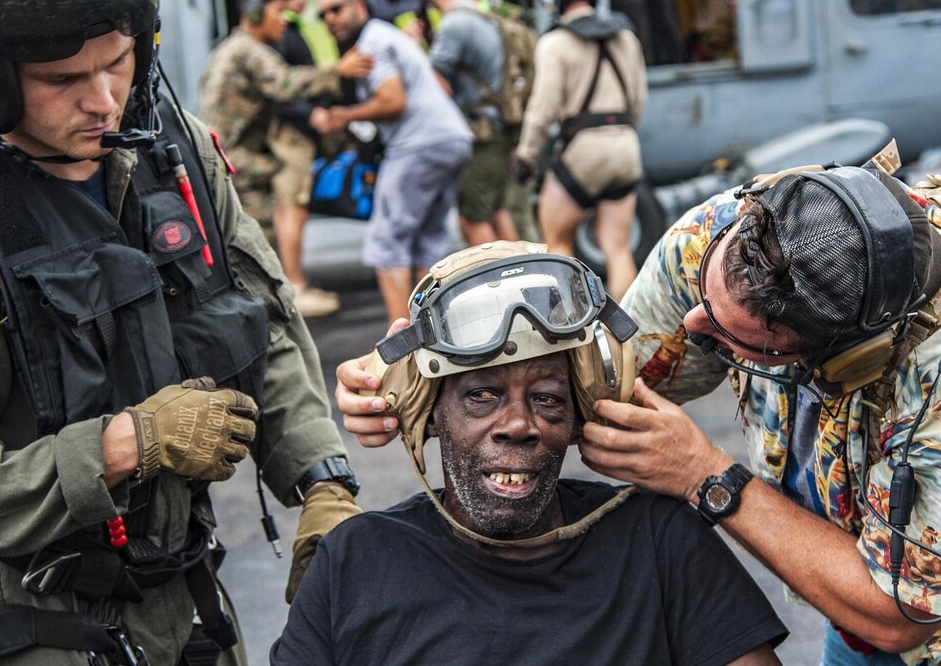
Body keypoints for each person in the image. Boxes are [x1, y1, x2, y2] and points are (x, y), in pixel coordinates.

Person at [0, 0, 363, 663]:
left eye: (118, 60)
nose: (103, 99)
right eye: (62, 78)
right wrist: (125, 445)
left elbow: (257, 318)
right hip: (40, 628)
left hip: (191, 609)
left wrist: (323, 482)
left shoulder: (168, 150)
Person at [335, 145, 941, 664]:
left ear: (834, 356)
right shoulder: (726, 235)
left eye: (732, 343)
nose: (694, 322)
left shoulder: (931, 383)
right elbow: (590, 383)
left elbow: (899, 615)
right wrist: (408, 374)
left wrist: (706, 477)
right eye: (704, 293)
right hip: (851, 626)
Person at [276, 241, 787, 664]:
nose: (519, 425)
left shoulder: (657, 541)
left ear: (577, 417)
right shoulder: (356, 559)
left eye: (546, 398)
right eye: (481, 395)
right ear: (430, 413)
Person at [198, 0, 372, 317]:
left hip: (228, 155)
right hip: (238, 159)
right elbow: (284, 83)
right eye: (278, 11)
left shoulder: (230, 48)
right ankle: (273, 306)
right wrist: (338, 70)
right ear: (254, 14)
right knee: (261, 234)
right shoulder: (249, 50)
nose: (285, 19)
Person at [310, 0, 472, 323]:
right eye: (323, 15)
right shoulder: (389, 35)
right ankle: (436, 329)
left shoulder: (372, 42)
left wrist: (343, 116)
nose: (330, 19)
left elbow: (393, 101)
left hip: (418, 143)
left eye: (337, 9)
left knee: (387, 244)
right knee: (428, 242)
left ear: (360, 7)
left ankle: (404, 344)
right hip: (452, 138)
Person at [514, 0, 648, 302]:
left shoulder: (554, 44)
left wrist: (526, 156)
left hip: (582, 151)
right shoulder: (626, 38)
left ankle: (569, 333)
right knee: (617, 249)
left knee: (557, 244)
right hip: (624, 146)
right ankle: (635, 337)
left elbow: (543, 110)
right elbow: (637, 101)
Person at [419, 0, 520, 247]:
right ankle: (527, 278)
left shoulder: (454, 24)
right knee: (498, 213)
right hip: (500, 128)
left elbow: (432, 82)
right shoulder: (481, 16)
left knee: (473, 220)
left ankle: (497, 287)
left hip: (482, 135)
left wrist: (415, 48)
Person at [264, 0, 344, 317]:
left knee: (296, 207)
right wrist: (311, 114)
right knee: (291, 207)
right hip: (290, 135)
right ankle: (294, 286)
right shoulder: (277, 38)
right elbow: (280, 92)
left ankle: (294, 282)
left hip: (298, 134)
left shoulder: (289, 31)